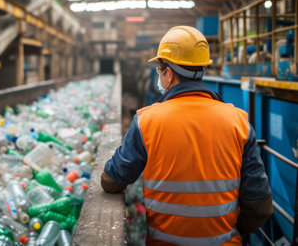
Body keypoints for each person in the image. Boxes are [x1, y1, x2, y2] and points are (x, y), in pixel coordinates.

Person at [101, 26, 273, 245]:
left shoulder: (147, 121)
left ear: (169, 74)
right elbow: (260, 206)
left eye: (160, 70)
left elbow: (112, 180)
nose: (159, 76)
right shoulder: (238, 121)